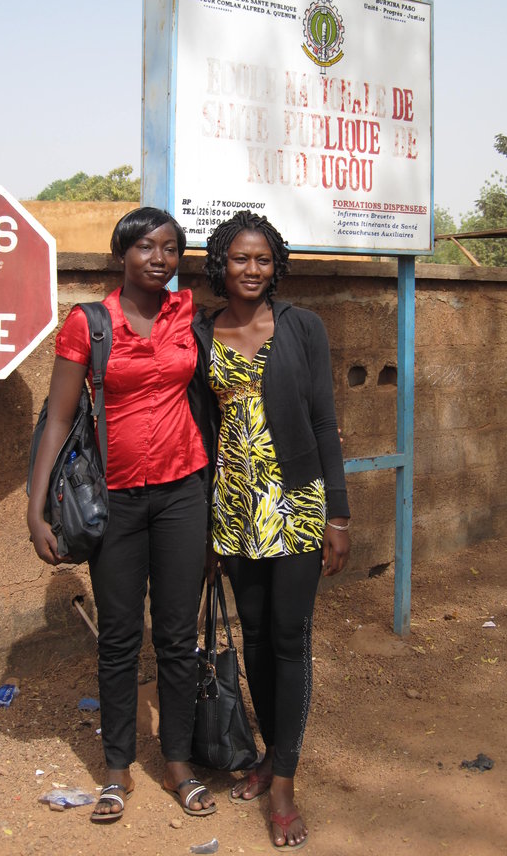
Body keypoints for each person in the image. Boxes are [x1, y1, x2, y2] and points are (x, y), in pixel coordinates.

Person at [27, 207, 216, 822]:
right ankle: (115, 769)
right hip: (116, 498)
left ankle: (180, 761)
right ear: (120, 255)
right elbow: (57, 417)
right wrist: (37, 510)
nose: (158, 259)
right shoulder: (89, 323)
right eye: (144, 247)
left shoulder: (188, 315)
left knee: (177, 634)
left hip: (184, 491)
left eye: (170, 248)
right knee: (118, 636)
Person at [190, 210, 350, 850]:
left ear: (275, 264)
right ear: (220, 265)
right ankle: (266, 752)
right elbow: (198, 430)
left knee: (289, 636)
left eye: (262, 260)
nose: (252, 270)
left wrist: (337, 513)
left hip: (296, 501)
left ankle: (283, 779)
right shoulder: (202, 334)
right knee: (253, 634)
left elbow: (323, 422)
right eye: (239, 259)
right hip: (232, 503)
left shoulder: (301, 327)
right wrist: (202, 524)